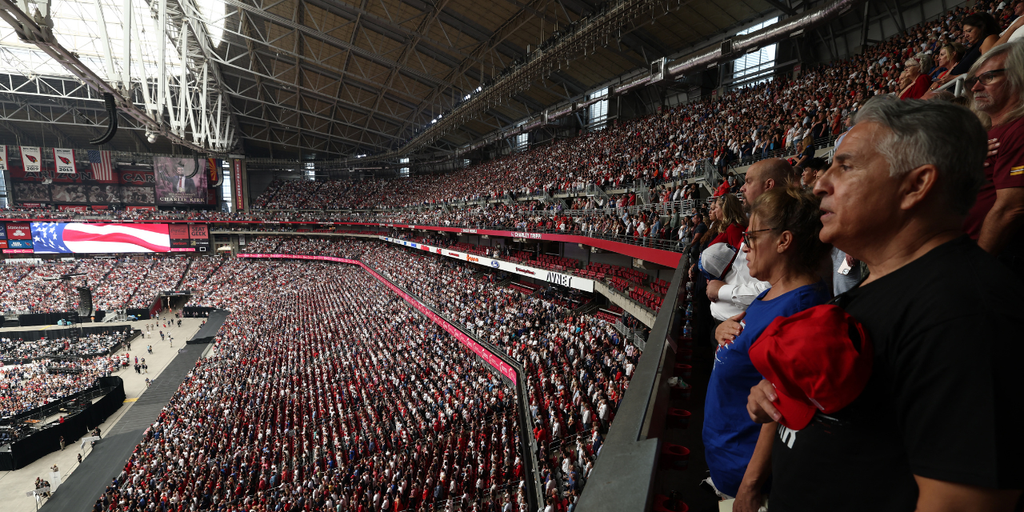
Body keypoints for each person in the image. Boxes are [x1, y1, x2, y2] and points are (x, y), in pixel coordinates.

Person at [746, 96, 1024, 511]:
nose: (820, 183)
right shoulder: (890, 288)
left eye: (846, 166)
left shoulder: (964, 314)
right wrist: (777, 395)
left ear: (916, 185)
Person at [703, 186, 831, 511]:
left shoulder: (800, 306)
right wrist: (723, 330)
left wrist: (751, 485)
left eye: (751, 236)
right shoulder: (774, 292)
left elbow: (780, 404)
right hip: (727, 459)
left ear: (784, 241)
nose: (744, 246)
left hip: (746, 481)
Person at [964, 42, 1024, 278]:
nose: (976, 87)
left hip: (1000, 264)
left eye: (988, 77)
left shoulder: (1018, 129)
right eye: (974, 81)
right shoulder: (986, 135)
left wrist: (977, 270)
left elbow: (1012, 209)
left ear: (1019, 76)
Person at [707, 158, 792, 323]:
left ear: (768, 185)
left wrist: (722, 291)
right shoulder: (760, 221)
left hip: (742, 324)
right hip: (731, 322)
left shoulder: (781, 225)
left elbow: (773, 289)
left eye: (748, 181)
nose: (742, 187)